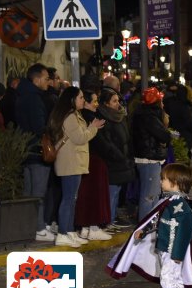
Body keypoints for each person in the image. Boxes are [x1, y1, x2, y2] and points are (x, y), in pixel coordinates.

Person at [106, 163, 192, 288]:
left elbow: (184, 235)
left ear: (175, 183)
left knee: (167, 275)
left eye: (164, 179)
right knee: (173, 275)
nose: (160, 182)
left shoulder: (182, 208)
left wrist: (177, 255)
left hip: (173, 250)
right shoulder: (168, 201)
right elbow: (156, 219)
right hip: (163, 246)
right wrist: (145, 230)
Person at [47, 87, 105, 247]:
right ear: (71, 99)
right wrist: (93, 128)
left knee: (71, 199)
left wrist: (90, 127)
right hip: (71, 162)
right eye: (80, 97)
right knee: (69, 199)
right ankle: (63, 234)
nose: (83, 100)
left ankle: (69, 231)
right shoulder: (70, 116)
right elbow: (80, 138)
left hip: (74, 162)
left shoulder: (73, 115)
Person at [15, 63, 55, 242]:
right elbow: (39, 127)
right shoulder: (34, 98)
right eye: (46, 79)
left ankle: (30, 227)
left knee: (29, 192)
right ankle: (38, 228)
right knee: (38, 193)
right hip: (37, 151)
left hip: (25, 150)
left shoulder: (21, 95)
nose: (49, 82)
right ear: (37, 79)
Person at [74, 90, 113, 240]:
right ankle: (94, 227)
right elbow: (99, 141)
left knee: (85, 194)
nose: (97, 104)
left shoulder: (80, 116)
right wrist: (112, 153)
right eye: (94, 101)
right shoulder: (91, 118)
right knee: (96, 194)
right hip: (95, 159)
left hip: (86, 158)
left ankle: (84, 227)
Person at [97, 89, 136, 228]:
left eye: (118, 100)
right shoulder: (104, 119)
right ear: (106, 104)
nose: (117, 104)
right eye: (114, 101)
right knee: (111, 192)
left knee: (117, 191)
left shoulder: (119, 117)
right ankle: (107, 220)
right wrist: (119, 156)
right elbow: (107, 144)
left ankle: (111, 219)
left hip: (123, 161)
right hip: (113, 162)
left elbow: (126, 137)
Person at [133, 87, 171, 219]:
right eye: (161, 101)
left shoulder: (143, 114)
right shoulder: (149, 116)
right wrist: (165, 124)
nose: (163, 104)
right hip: (149, 159)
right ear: (157, 102)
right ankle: (145, 226)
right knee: (149, 196)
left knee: (153, 195)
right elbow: (164, 136)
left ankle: (150, 223)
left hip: (148, 158)